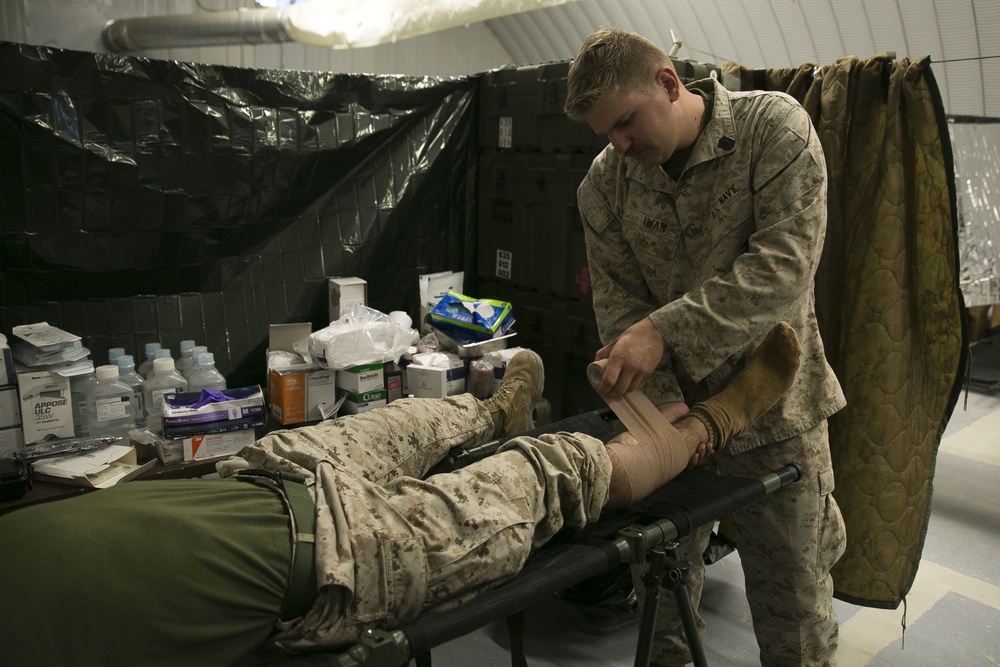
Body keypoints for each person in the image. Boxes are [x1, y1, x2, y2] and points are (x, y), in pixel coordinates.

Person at [0, 329, 800, 667]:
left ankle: (489, 409)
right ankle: (713, 423)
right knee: (552, 471)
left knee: (394, 421)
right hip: (344, 561)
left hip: (259, 475)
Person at [564, 28, 848, 667]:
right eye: (605, 133)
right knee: (661, 605)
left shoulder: (772, 130)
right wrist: (659, 409)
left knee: (796, 610)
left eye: (627, 122)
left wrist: (663, 333)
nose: (619, 144)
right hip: (671, 428)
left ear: (668, 83)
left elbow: (782, 269)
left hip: (778, 414)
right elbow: (618, 304)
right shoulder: (605, 185)